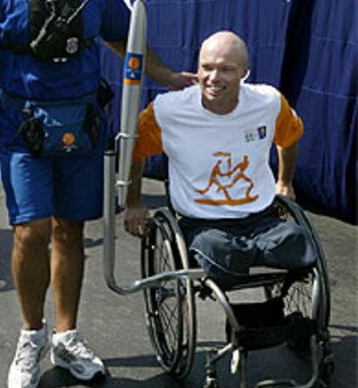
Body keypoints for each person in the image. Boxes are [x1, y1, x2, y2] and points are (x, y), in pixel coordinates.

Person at [0, 0, 196, 388]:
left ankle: (68, 336)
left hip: (82, 127)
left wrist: (170, 77)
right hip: (20, 129)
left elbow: (123, 42)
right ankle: (31, 335)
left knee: (69, 231)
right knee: (30, 230)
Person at [125, 31, 317, 286]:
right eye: (207, 68)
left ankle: (250, 255)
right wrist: (133, 202)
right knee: (221, 254)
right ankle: (240, 256)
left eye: (226, 70)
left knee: (299, 243)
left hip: (260, 217)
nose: (214, 78)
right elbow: (134, 152)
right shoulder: (167, 111)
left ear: (245, 72)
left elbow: (290, 138)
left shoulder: (268, 102)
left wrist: (285, 182)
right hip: (202, 223)